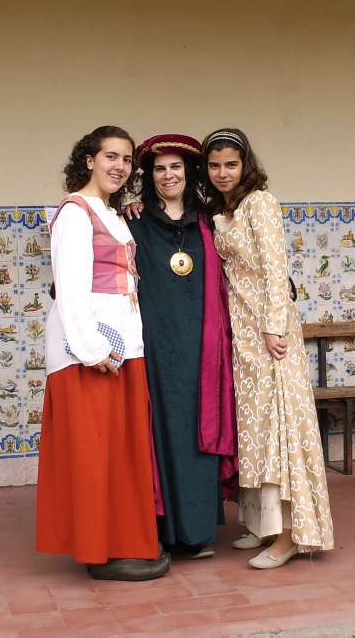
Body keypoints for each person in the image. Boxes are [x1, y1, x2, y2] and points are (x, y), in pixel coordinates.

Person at [35, 125, 170, 581]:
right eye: (111, 156)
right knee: (95, 451)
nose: (120, 166)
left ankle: (124, 541)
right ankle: (100, 551)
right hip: (90, 352)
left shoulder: (112, 214)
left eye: (127, 159)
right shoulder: (74, 213)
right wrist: (90, 348)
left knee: (120, 451)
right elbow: (70, 289)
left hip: (123, 347)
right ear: (89, 160)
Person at [203, 127, 334, 569]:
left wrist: (274, 327)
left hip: (268, 333)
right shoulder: (223, 210)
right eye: (214, 165)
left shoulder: (261, 202)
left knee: (281, 430)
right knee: (256, 431)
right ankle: (265, 525)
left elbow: (277, 270)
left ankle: (294, 535)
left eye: (231, 164)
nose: (223, 173)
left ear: (246, 165)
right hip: (241, 336)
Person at [126, 134, 238, 559]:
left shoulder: (209, 221)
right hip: (157, 347)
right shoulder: (134, 221)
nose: (168, 175)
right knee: (161, 434)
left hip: (203, 346)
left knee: (197, 431)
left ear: (189, 172)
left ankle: (196, 533)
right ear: (149, 176)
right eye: (159, 169)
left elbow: (243, 266)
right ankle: (163, 531)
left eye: (175, 167)